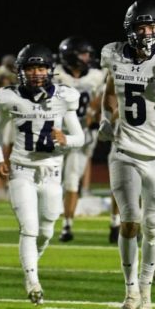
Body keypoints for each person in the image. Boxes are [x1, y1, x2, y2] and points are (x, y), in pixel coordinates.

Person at [99, 0, 155, 309]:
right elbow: (110, 91)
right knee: (130, 221)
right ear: (130, 29)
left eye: (152, 26)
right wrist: (108, 117)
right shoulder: (114, 55)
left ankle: (146, 295)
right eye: (141, 26)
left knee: (152, 227)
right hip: (123, 151)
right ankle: (130, 290)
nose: (146, 32)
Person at [0, 44, 84, 303]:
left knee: (46, 232)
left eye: (41, 67)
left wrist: (65, 139)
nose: (36, 73)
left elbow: (80, 137)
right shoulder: (10, 97)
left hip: (52, 171)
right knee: (29, 229)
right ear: (21, 71)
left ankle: (31, 267)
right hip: (21, 169)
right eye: (31, 68)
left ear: (49, 70)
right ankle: (33, 281)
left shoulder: (64, 97)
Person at [54, 36, 106, 242]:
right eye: (83, 54)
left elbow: (102, 99)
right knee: (49, 178)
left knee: (71, 179)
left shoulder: (96, 75)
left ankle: (67, 224)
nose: (87, 58)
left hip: (81, 134)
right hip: (56, 133)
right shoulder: (55, 74)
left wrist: (96, 113)